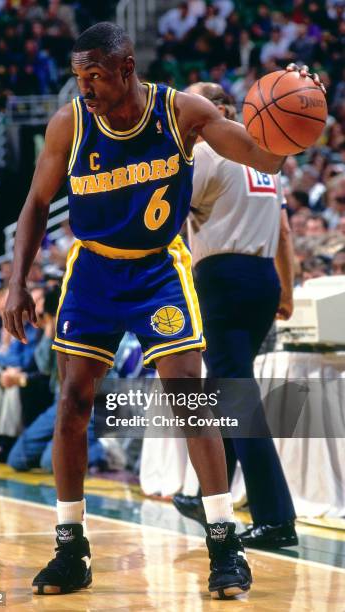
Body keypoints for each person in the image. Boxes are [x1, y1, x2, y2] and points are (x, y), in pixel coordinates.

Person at [3, 22, 321, 598]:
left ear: (127, 68)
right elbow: (35, 202)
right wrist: (16, 283)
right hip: (94, 268)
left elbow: (265, 160)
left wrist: (296, 113)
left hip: (157, 270)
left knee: (189, 395)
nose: (85, 87)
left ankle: (223, 541)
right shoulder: (70, 123)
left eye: (94, 75)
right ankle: (71, 546)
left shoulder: (182, 113)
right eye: (79, 76)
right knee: (73, 398)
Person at [172, 82, 298, 549]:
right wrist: (286, 289)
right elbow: (283, 232)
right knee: (228, 389)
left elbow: (170, 215)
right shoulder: (266, 160)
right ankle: (209, 496)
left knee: (235, 395)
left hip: (222, 278)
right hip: (264, 278)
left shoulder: (206, 153)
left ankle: (275, 517)